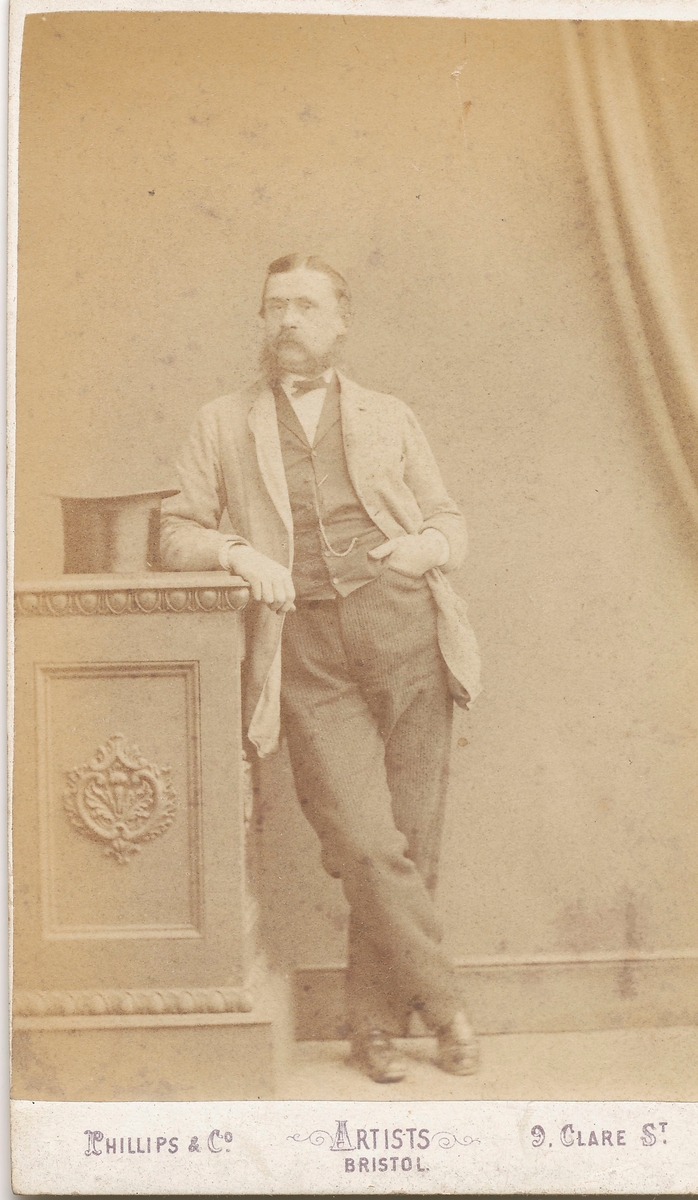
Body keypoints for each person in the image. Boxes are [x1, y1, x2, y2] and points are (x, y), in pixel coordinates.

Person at [160, 254, 482, 1083]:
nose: (289, 322)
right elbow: (174, 532)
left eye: (306, 307)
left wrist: (425, 548)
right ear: (262, 322)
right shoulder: (222, 423)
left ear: (341, 322)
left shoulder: (388, 415)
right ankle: (445, 1004)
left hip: (408, 636)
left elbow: (448, 520)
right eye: (276, 307)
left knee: (410, 843)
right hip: (306, 653)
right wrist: (239, 554)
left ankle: (371, 1027)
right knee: (367, 845)